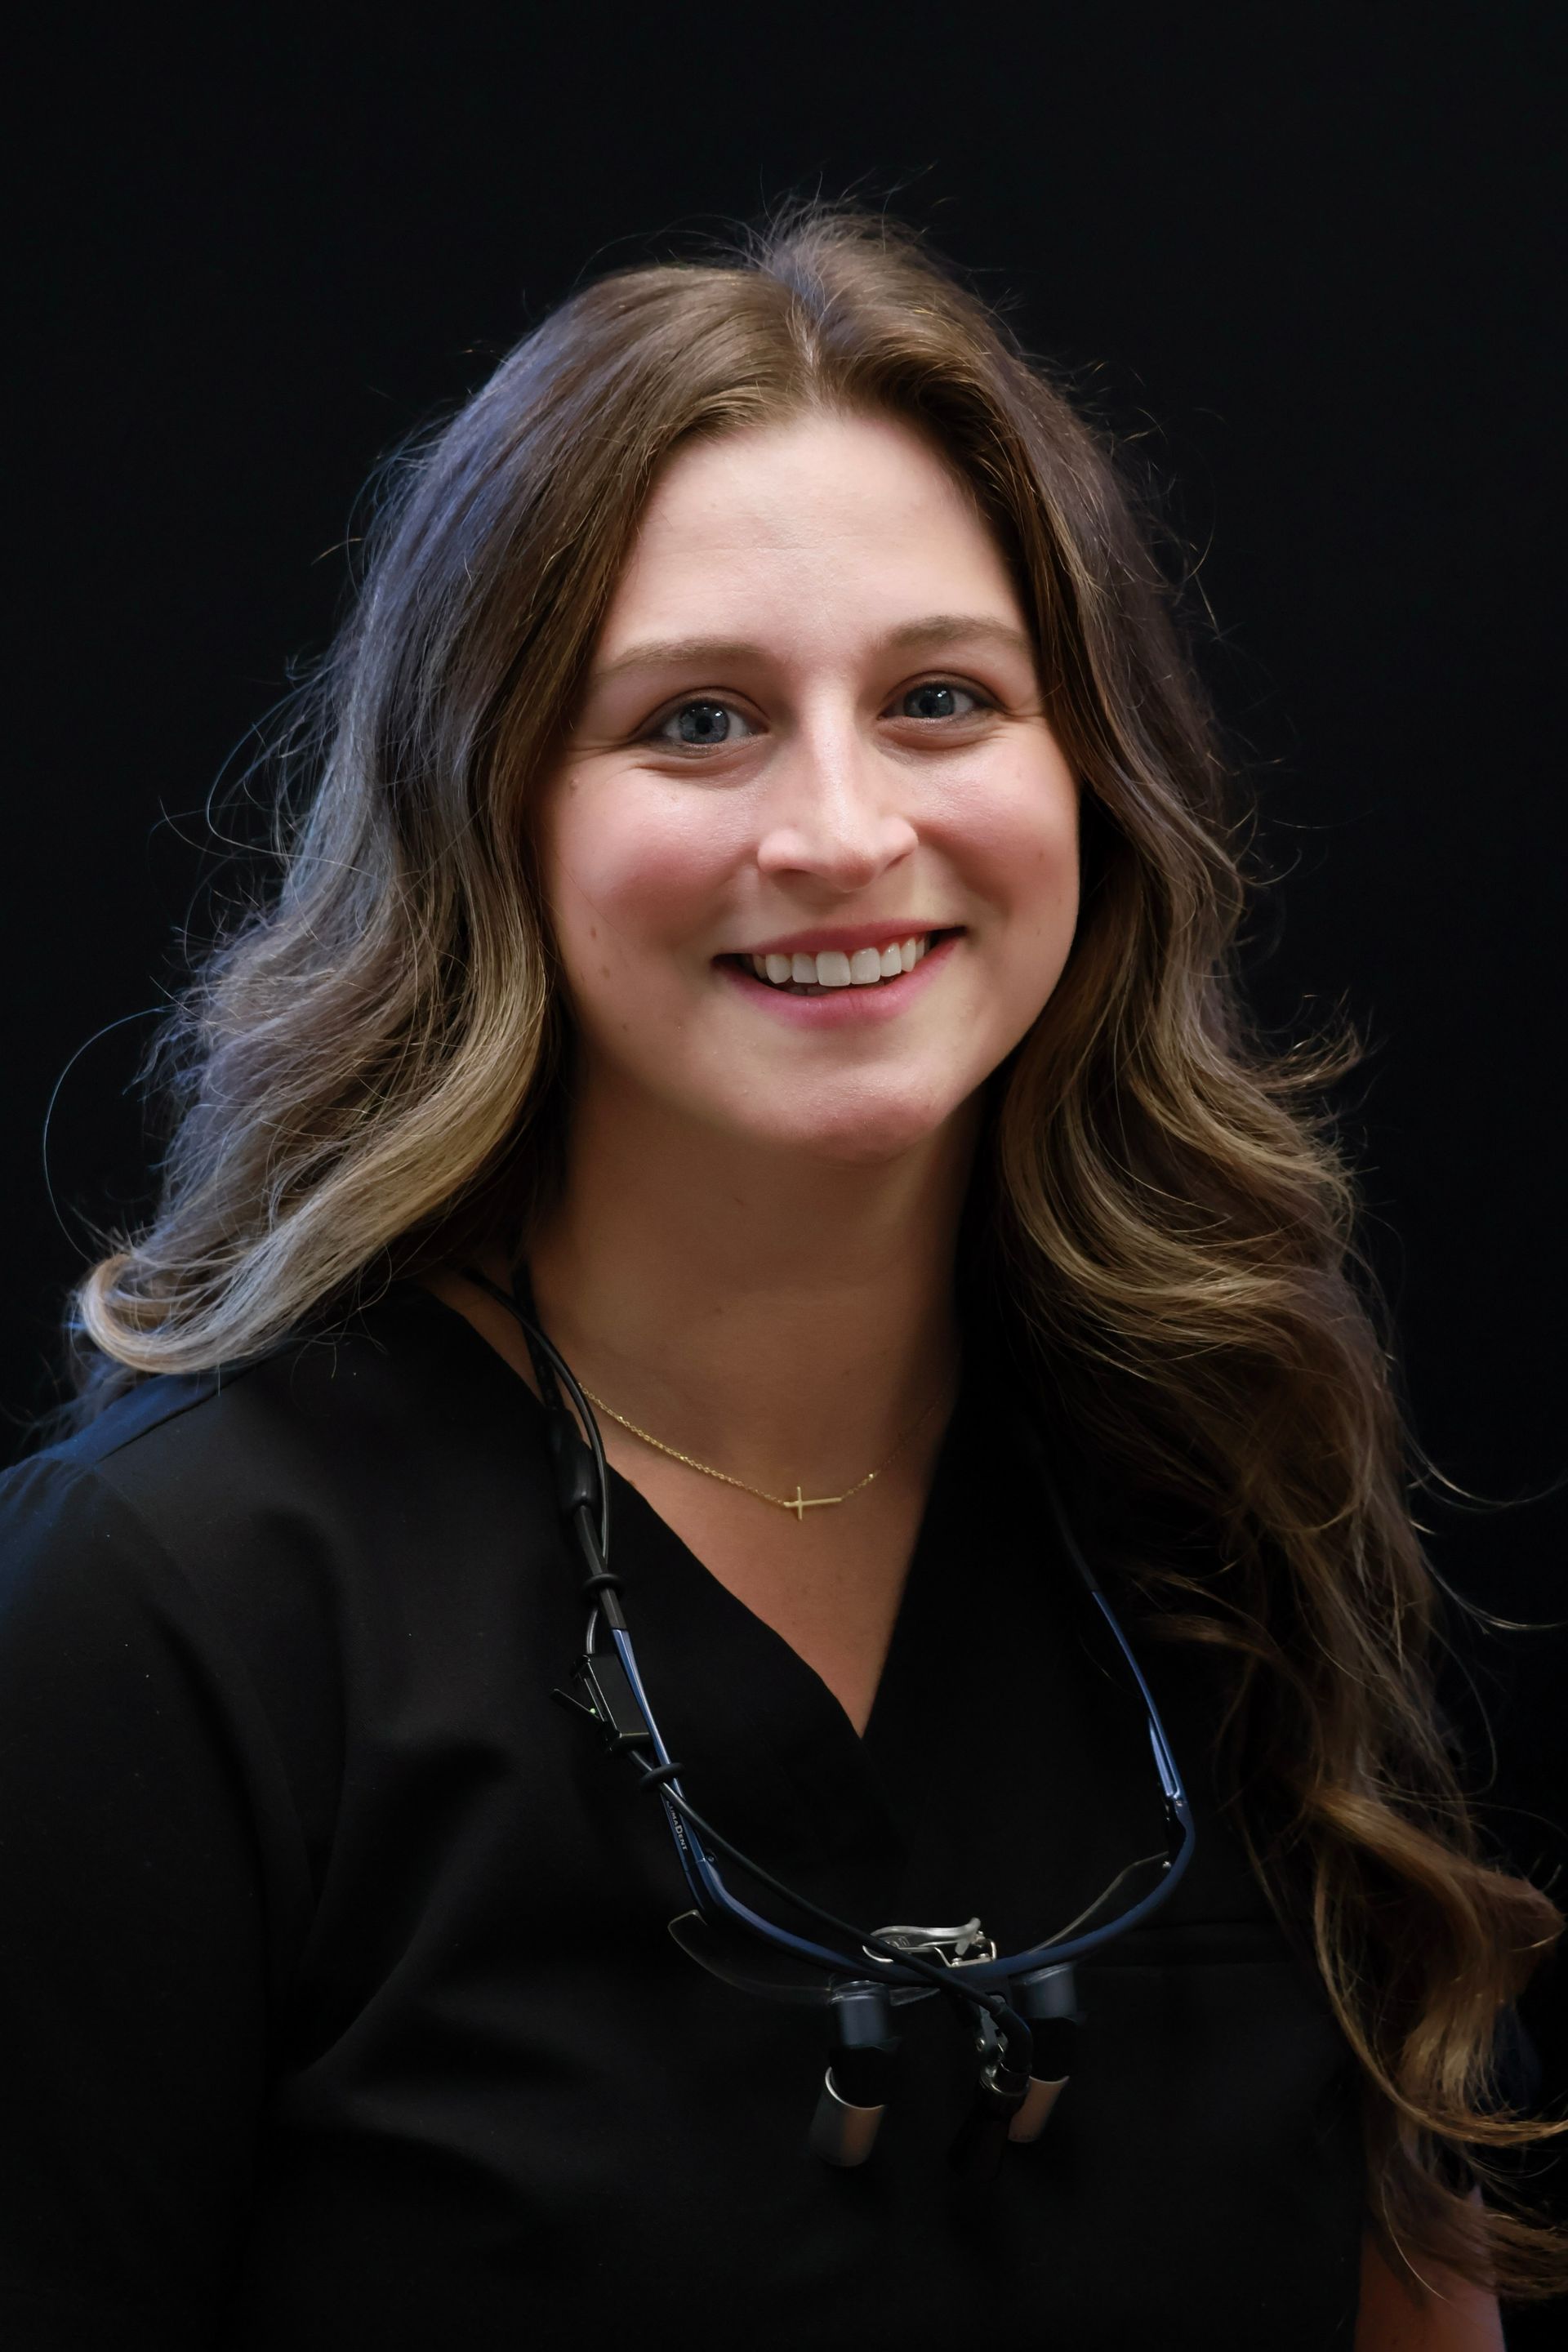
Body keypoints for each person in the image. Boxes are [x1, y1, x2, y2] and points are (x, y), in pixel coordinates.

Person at [1, 207, 1561, 2351]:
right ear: (491, 816)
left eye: (941, 698)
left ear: (1089, 783)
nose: (837, 829)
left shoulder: (1219, 1497)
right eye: (698, 721)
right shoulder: (159, 1608)